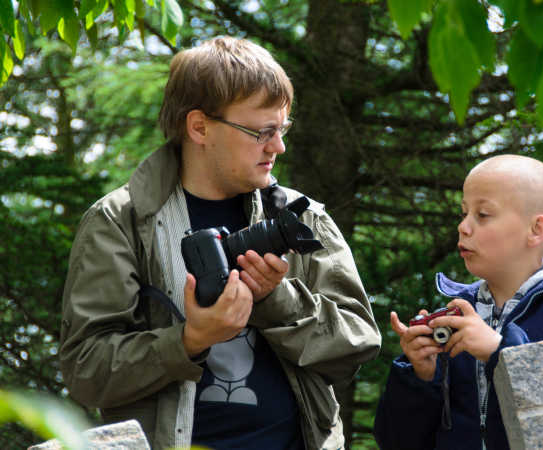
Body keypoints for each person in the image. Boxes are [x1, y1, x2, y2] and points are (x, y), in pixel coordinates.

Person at [59, 36, 381, 450]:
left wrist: (277, 300)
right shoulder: (122, 221)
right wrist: (189, 340)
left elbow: (358, 345)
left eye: (282, 129)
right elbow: (87, 372)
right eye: (262, 131)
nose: (278, 147)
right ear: (199, 127)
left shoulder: (301, 217)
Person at [373, 154, 543, 450]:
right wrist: (420, 377)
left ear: (536, 230)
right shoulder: (454, 315)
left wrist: (500, 351)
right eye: (464, 213)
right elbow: (396, 442)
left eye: (482, 215)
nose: (463, 227)